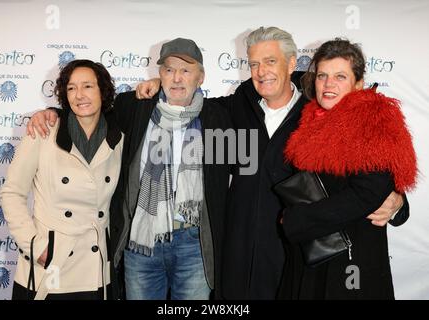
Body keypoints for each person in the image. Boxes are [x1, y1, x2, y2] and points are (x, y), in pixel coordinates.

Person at [135, 27, 410, 299]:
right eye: (254, 63)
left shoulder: (316, 108)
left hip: (297, 254)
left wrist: (397, 200)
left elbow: (367, 175)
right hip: (241, 254)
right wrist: (165, 85)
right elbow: (191, 103)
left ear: (292, 63)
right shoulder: (238, 104)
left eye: (270, 61)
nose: (261, 71)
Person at [26, 38, 232, 300]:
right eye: (169, 70)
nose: (176, 78)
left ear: (200, 77)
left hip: (194, 245)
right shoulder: (134, 106)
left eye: (185, 70)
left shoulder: (219, 117)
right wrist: (52, 112)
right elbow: (89, 114)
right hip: (141, 244)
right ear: (159, 74)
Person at [276, 38, 417, 299]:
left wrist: (299, 219)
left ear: (358, 84)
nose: (329, 84)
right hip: (311, 257)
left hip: (353, 262)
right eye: (322, 76)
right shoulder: (308, 120)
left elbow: (366, 193)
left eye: (340, 76)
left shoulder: (375, 122)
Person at [0, 59, 124, 300]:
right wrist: (35, 246)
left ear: (103, 91)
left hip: (95, 267)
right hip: (51, 263)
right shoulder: (43, 132)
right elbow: (12, 193)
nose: (79, 95)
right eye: (71, 88)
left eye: (88, 86)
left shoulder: (117, 138)